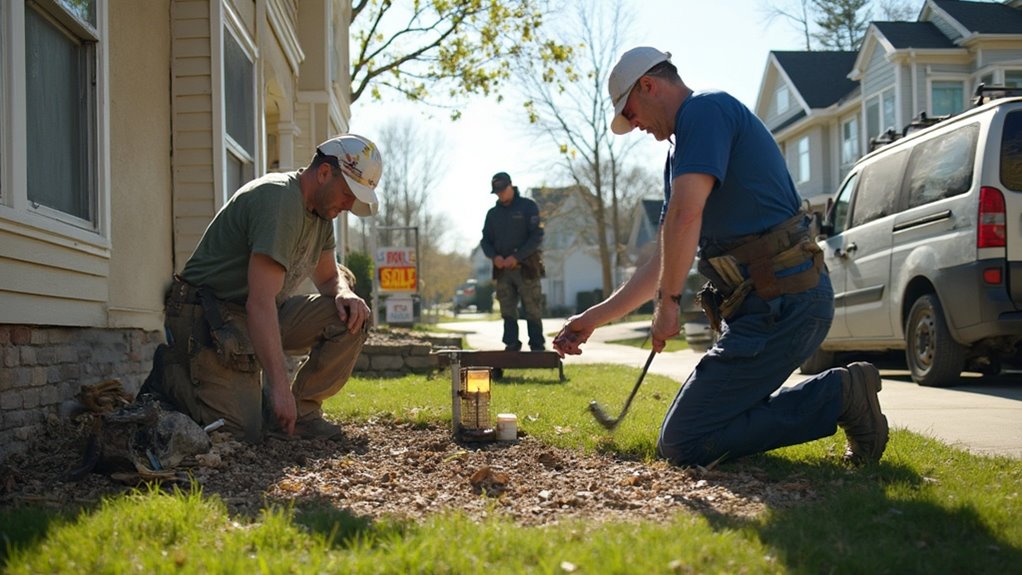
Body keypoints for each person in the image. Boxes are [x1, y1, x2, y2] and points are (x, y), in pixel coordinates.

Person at [552, 47, 888, 467]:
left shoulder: (705, 112)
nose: (633, 124)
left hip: (784, 305)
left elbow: (686, 215)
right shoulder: (681, 152)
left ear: (649, 85)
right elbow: (661, 257)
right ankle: (839, 394)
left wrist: (670, 304)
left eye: (630, 111)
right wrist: (592, 320)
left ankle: (840, 395)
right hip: (760, 312)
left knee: (684, 442)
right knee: (686, 433)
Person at [141, 134, 382, 443]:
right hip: (206, 314)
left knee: (350, 317)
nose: (350, 205)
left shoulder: (322, 214)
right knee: (240, 433)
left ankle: (304, 413)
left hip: (254, 310)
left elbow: (327, 278)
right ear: (324, 174)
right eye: (349, 193)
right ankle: (171, 378)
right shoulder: (279, 201)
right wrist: (279, 388)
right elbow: (260, 302)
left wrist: (344, 293)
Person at [480, 172, 547, 352]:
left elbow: (537, 236)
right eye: (497, 192)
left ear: (511, 186)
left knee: (532, 307)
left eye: (503, 190)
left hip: (527, 268)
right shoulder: (493, 214)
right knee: (507, 309)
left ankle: (537, 345)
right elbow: (485, 241)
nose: (500, 194)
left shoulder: (528, 206)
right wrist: (495, 257)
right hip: (503, 271)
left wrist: (516, 257)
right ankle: (511, 344)